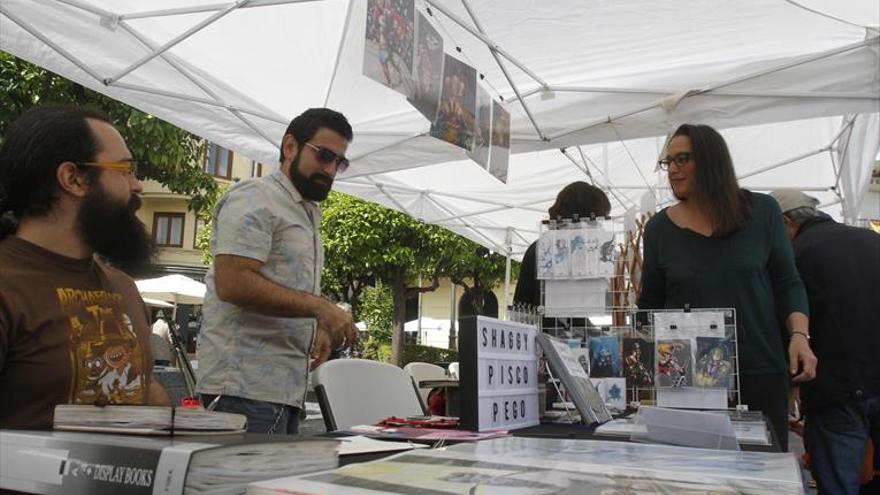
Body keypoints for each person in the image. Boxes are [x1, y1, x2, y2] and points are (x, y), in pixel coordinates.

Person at [637, 124, 817, 451]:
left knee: (762, 472)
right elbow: (649, 306)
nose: (673, 169)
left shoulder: (763, 212)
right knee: (694, 474)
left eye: (682, 159)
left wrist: (799, 336)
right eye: (668, 162)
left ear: (710, 161)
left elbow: (788, 281)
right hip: (686, 379)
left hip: (759, 369)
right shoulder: (659, 229)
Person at [0, 105, 170, 428]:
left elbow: (138, 387)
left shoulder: (123, 287)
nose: (137, 186)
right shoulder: (7, 283)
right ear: (73, 178)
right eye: (125, 170)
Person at [196, 108, 359, 434]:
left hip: (283, 391)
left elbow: (284, 286)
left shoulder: (305, 212)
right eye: (324, 155)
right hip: (242, 389)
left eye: (339, 162)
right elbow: (233, 282)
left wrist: (318, 326)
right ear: (289, 147)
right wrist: (321, 308)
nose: (330, 169)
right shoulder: (256, 196)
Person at [769, 189, 880, 493]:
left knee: (838, 485)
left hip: (838, 388)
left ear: (784, 222)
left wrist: (790, 387)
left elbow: (789, 325)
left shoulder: (796, 256)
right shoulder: (871, 239)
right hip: (867, 379)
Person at [514, 181, 612, 308]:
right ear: (582, 217)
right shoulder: (546, 249)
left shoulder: (542, 246)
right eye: (596, 220)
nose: (599, 226)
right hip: (543, 324)